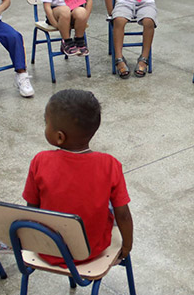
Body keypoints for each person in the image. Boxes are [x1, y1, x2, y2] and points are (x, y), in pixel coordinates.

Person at [23, 89, 133, 266]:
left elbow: (32, 208)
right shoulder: (110, 164)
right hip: (92, 250)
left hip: (47, 249)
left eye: (46, 123)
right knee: (110, 202)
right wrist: (127, 245)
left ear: (59, 137)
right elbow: (124, 215)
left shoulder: (40, 161)